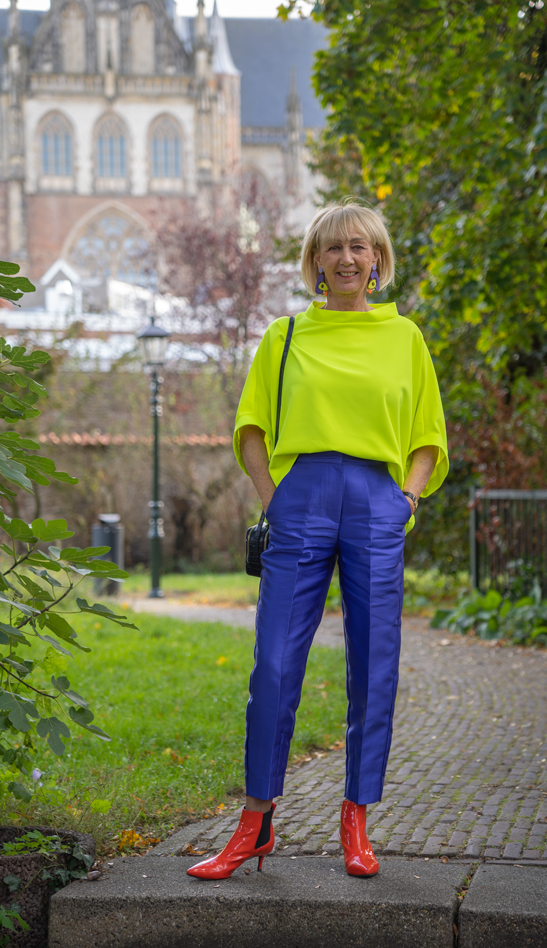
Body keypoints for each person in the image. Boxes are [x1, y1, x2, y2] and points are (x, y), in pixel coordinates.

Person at [188, 201, 448, 881]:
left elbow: (427, 437)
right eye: (331, 247)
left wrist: (406, 500)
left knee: (373, 662)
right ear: (313, 261)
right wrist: (276, 500)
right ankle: (255, 820)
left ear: (378, 259)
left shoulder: (405, 339)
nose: (345, 258)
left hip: (375, 500)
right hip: (300, 494)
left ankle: (356, 818)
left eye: (358, 246)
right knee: (273, 662)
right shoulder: (286, 335)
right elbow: (251, 428)